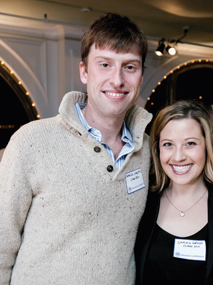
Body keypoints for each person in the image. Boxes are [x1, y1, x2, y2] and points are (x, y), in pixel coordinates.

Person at [0, 13, 152, 284]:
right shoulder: (32, 142)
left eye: (130, 67)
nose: (117, 80)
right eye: (104, 64)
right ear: (84, 71)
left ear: (141, 77)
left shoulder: (147, 150)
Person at [135, 100, 213, 285]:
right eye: (168, 144)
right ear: (157, 150)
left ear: (207, 146)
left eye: (190, 143)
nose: (179, 156)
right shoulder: (141, 203)